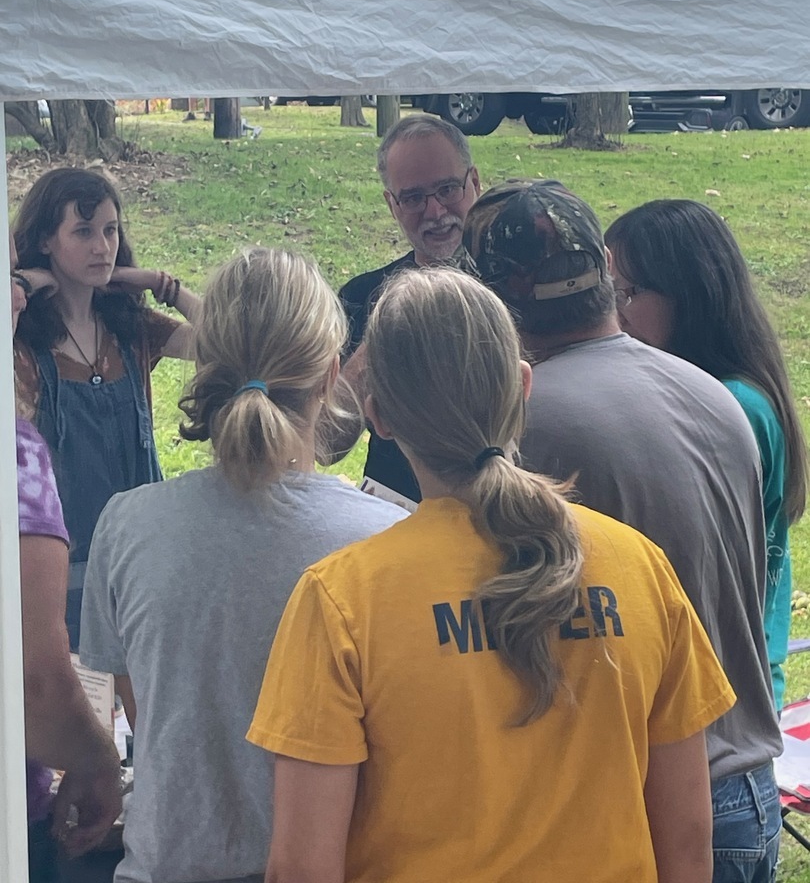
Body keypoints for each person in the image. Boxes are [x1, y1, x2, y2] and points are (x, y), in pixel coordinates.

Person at [248, 267, 735, 883]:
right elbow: (689, 843)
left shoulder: (342, 600)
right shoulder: (639, 566)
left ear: (377, 414)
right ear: (523, 387)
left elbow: (301, 868)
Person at [463, 179, 782, 883]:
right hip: (749, 788)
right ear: (603, 277)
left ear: (499, 304)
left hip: (653, 802)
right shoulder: (715, 394)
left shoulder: (526, 424)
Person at [79, 247, 407, 883]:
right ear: (331, 375)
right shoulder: (387, 542)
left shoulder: (125, 525)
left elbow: (149, 723)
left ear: (203, 367)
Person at [604, 198, 808, 713]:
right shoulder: (713, 395)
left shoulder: (730, 406)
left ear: (690, 294)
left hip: (722, 704)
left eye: (630, 291)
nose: (615, 312)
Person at [12, 167, 200, 648]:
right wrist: (22, 288)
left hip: (144, 563)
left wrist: (164, 285)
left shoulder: (130, 328)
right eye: (83, 231)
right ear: (45, 241)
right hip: (61, 580)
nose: (102, 247)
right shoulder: (23, 347)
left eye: (111, 231)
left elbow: (227, 341)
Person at [12, 240, 122, 882]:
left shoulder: (126, 331)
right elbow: (36, 681)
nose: (19, 291)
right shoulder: (14, 451)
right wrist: (97, 760)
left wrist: (157, 283)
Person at [335, 114, 481, 507]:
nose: (434, 212)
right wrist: (388, 327)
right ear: (391, 204)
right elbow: (326, 442)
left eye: (448, 190)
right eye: (414, 198)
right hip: (393, 513)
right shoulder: (362, 296)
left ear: (475, 183)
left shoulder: (521, 284)